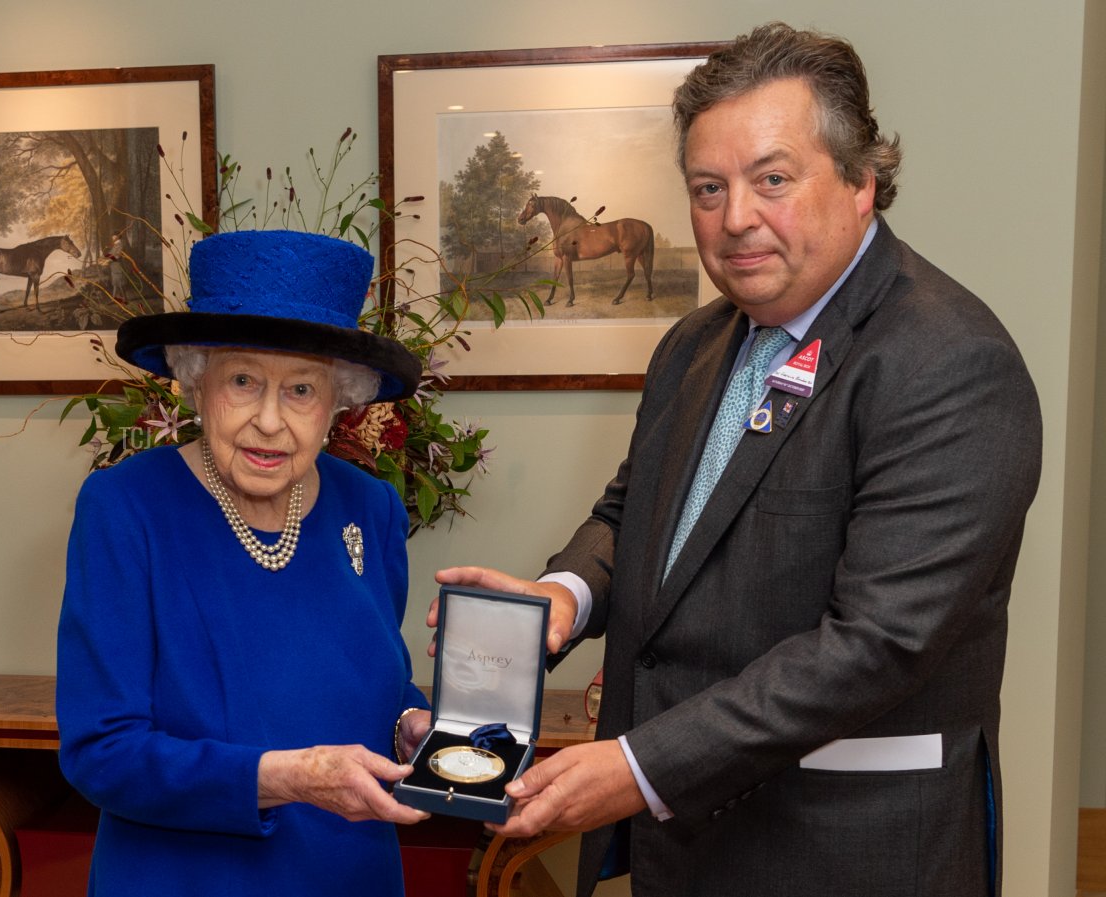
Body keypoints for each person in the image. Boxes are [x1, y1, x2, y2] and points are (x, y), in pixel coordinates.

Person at [434, 22, 1043, 897]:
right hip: (693, 848)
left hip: (847, 853)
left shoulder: (948, 362)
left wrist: (638, 763)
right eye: (709, 188)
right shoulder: (693, 345)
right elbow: (632, 514)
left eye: (773, 180)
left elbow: (876, 644)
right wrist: (562, 596)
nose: (736, 218)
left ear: (862, 181)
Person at [57, 229, 434, 896]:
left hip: (350, 874)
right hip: (185, 878)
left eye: (300, 390)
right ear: (196, 384)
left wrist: (409, 724)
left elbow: (377, 676)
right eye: (242, 380)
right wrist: (284, 778)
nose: (269, 419)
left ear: (336, 405)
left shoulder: (369, 507)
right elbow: (102, 750)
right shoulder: (125, 507)